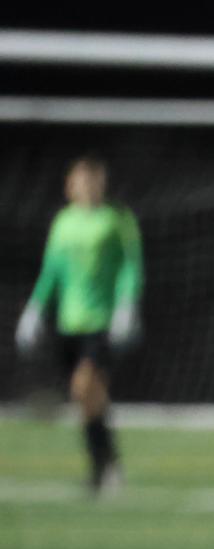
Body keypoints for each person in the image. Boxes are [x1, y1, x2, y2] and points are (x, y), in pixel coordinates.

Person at [14, 155, 142, 496]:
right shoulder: (64, 223)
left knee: (83, 387)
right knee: (89, 400)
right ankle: (103, 465)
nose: (85, 187)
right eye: (79, 181)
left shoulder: (116, 219)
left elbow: (132, 265)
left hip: (101, 322)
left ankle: (106, 462)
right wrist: (35, 309)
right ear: (70, 185)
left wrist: (126, 305)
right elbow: (51, 270)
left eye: (91, 181)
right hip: (68, 322)